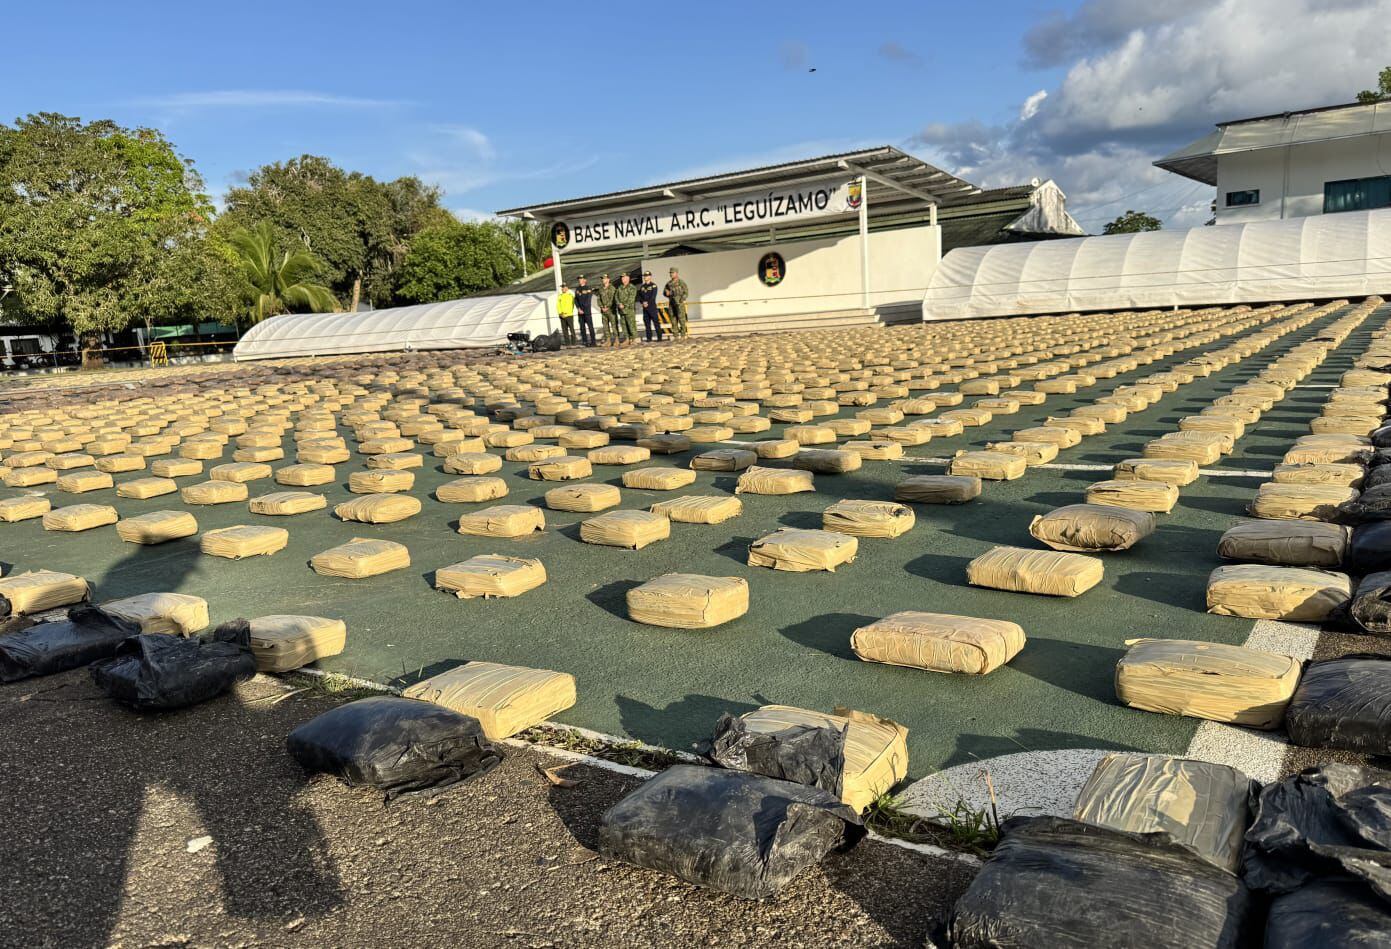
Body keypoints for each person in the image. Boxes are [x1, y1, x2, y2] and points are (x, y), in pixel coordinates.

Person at [613, 273, 639, 347]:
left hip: (629, 309)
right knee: (624, 325)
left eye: (624, 277)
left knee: (631, 324)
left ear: (628, 278)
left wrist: (624, 305)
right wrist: (619, 304)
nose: (622, 279)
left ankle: (634, 339)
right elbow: (616, 297)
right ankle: (627, 339)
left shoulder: (632, 287)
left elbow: (631, 298)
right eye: (622, 278)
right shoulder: (620, 287)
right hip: (621, 310)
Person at [664, 267, 690, 338]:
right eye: (670, 273)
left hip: (679, 303)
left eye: (672, 273)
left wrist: (681, 299)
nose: (671, 274)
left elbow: (686, 292)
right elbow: (665, 292)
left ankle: (683, 335)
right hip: (672, 304)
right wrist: (666, 293)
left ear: (676, 273)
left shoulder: (681, 282)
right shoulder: (668, 284)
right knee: (673, 320)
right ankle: (675, 336)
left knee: (682, 319)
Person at [638, 270, 663, 342]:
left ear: (650, 277)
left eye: (647, 276)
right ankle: (649, 338)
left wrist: (647, 303)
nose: (645, 277)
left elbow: (653, 297)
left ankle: (659, 338)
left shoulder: (653, 286)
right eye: (644, 276)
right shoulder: (642, 287)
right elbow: (640, 297)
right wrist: (643, 302)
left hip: (652, 307)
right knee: (647, 324)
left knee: (656, 323)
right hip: (645, 308)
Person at [573, 275, 596, 347]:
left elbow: (588, 300)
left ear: (585, 280)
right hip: (580, 311)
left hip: (587, 311)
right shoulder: (577, 289)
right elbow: (575, 299)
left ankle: (593, 342)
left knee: (590, 327)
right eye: (579, 279)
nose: (580, 280)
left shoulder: (588, 288)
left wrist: (583, 309)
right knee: (582, 327)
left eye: (581, 279)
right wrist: (578, 308)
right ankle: (584, 341)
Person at [595, 274, 618, 346]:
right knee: (605, 326)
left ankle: (616, 340)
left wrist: (607, 306)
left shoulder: (612, 288)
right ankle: (608, 340)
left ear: (608, 279)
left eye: (605, 278)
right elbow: (598, 299)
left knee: (614, 325)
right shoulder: (601, 289)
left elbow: (613, 299)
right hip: (603, 311)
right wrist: (602, 307)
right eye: (602, 279)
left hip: (611, 310)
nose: (603, 280)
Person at [556, 282, 576, 347]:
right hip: (562, 315)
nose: (562, 288)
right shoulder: (560, 296)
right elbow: (558, 305)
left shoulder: (571, 295)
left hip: (569, 315)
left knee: (571, 329)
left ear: (567, 288)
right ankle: (567, 344)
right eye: (562, 287)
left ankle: (573, 343)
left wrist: (566, 313)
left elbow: (571, 305)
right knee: (564, 330)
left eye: (564, 287)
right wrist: (560, 313)